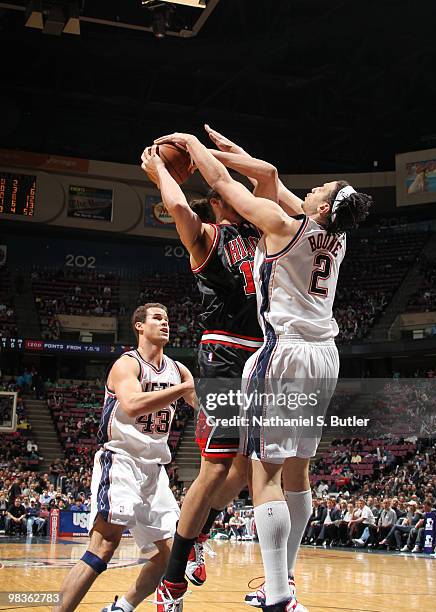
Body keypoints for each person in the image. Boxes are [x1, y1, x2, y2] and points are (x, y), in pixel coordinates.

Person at [149, 131, 372, 611]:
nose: (309, 190)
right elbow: (268, 176)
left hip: (282, 352)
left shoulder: (275, 223)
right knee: (298, 474)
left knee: (264, 474)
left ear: (321, 207)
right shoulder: (335, 234)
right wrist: (234, 154)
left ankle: (276, 594)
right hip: (323, 356)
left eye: (318, 190)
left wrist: (191, 146)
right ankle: (280, 581)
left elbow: (225, 183)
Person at [141, 132, 277, 597]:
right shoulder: (209, 237)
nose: (240, 191)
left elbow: (263, 177)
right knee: (215, 468)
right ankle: (172, 579)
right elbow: (179, 210)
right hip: (223, 351)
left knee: (242, 468)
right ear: (218, 201)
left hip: (262, 354)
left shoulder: (262, 230)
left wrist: (225, 150)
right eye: (229, 189)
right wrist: (160, 170)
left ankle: (198, 534)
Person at [53, 303, 195, 612]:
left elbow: (206, 408)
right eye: (157, 318)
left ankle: (123, 607)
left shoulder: (178, 370)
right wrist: (184, 389)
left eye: (168, 318)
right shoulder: (126, 365)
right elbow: (131, 405)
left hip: (155, 470)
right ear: (139, 326)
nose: (165, 323)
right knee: (104, 545)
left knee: (170, 555)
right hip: (121, 459)